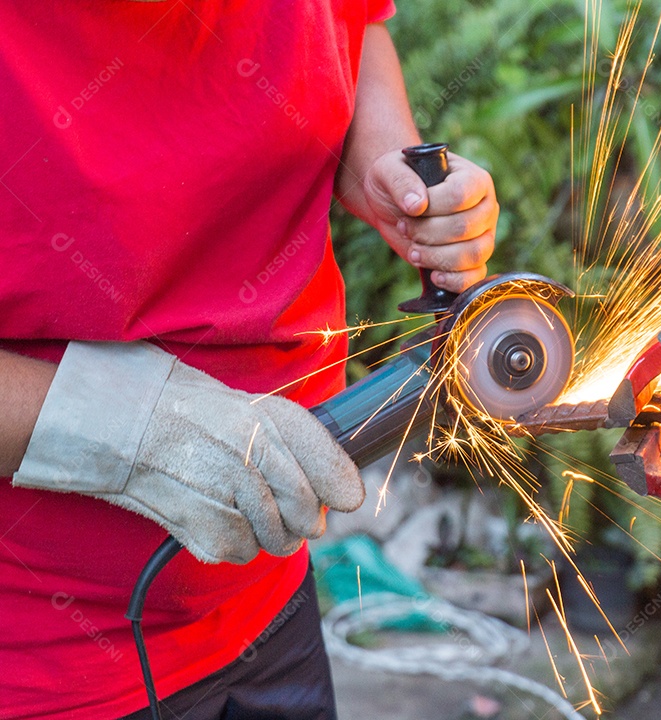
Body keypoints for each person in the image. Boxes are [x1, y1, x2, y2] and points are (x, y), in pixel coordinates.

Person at [0, 2, 498, 718]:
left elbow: (351, 29)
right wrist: (128, 429)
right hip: (46, 672)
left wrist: (387, 171)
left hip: (267, 607)